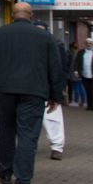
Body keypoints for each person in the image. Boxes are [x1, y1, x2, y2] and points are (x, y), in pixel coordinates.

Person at [0, 2, 64, 184]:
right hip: (34, 91)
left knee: (6, 130)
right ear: (31, 15)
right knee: (28, 135)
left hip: (5, 90)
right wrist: (55, 96)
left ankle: (5, 171)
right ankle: (23, 181)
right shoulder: (45, 37)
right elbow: (55, 68)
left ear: (12, 15)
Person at [35, 21, 67, 161]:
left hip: (49, 88)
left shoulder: (56, 45)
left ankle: (57, 147)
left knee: (53, 119)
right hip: (32, 87)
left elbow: (60, 69)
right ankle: (30, 145)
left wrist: (58, 91)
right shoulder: (28, 46)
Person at [68, 42, 87, 107]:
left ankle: (76, 101)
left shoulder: (73, 54)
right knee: (81, 87)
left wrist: (71, 73)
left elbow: (72, 65)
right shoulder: (81, 53)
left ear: (71, 48)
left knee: (76, 87)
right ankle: (83, 101)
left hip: (75, 73)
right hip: (81, 72)